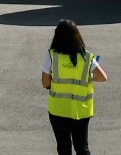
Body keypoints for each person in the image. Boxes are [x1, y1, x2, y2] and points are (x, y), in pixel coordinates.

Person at [41, 19, 108, 155]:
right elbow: (102, 77)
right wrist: (89, 77)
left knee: (63, 147)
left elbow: (45, 83)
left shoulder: (52, 56)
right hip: (80, 110)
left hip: (58, 109)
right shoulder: (86, 57)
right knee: (82, 148)